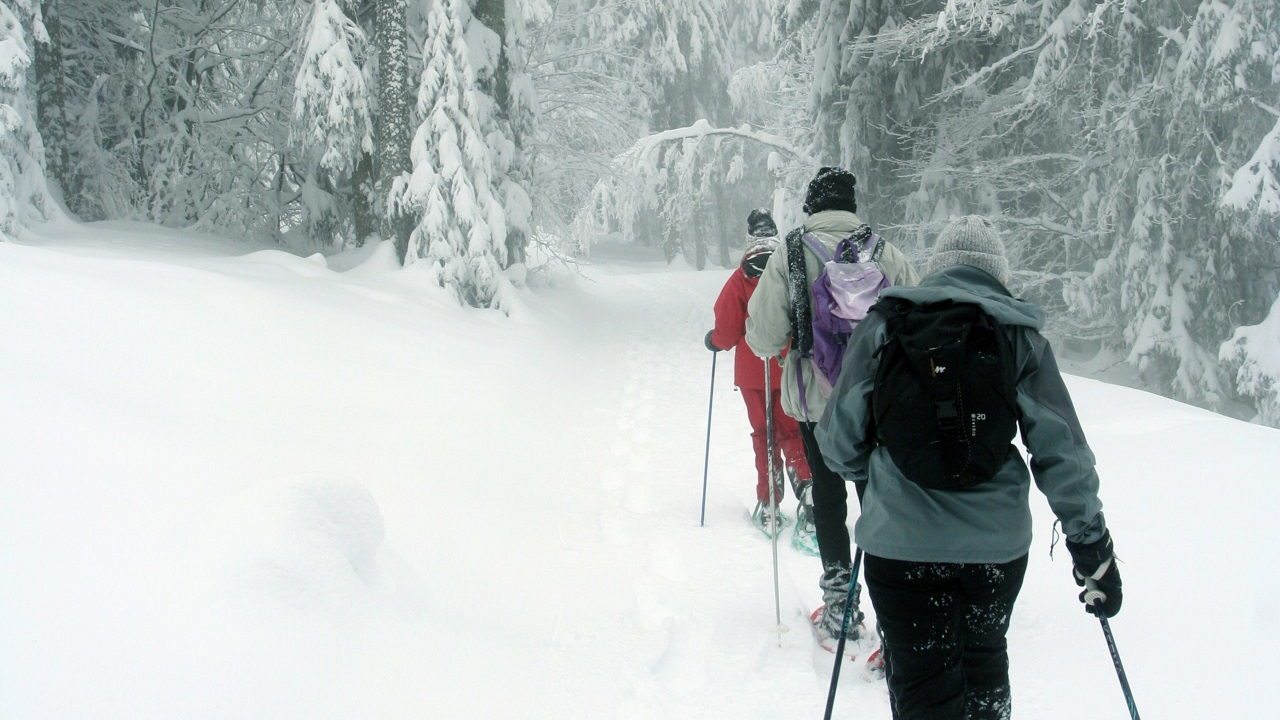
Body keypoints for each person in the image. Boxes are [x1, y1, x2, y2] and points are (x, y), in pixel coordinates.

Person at [816, 215, 1124, 719]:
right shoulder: (1017, 336)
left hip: (900, 543)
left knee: (921, 691)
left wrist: (878, 471)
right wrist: (1091, 546)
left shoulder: (886, 326)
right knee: (983, 665)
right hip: (994, 551)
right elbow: (1061, 450)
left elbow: (837, 444)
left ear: (936, 270)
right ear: (997, 275)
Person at [744, 167, 920, 641]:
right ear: (851, 203)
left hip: (814, 399)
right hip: (876, 400)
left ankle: (841, 603)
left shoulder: (792, 251)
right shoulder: (883, 251)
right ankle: (894, 613)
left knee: (827, 495)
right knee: (876, 498)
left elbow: (762, 335)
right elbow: (918, 320)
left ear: (811, 205)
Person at [706, 208, 813, 538]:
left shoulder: (740, 278)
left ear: (751, 236)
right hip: (788, 366)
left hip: (754, 374)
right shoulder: (789, 270)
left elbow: (726, 329)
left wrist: (714, 341)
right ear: (776, 234)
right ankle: (810, 498)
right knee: (792, 432)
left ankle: (769, 504)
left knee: (763, 434)